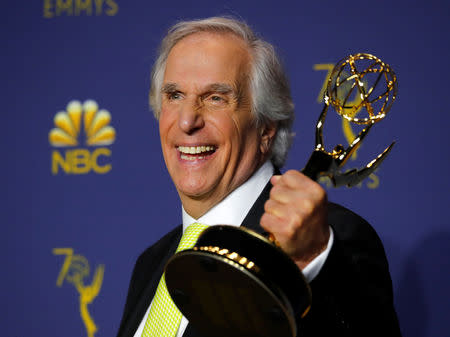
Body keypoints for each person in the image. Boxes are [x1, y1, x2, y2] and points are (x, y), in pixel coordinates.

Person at [117, 17, 401, 337]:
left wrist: (312, 260)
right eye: (175, 96)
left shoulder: (333, 241)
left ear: (266, 128)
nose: (187, 121)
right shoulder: (152, 262)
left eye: (216, 98)